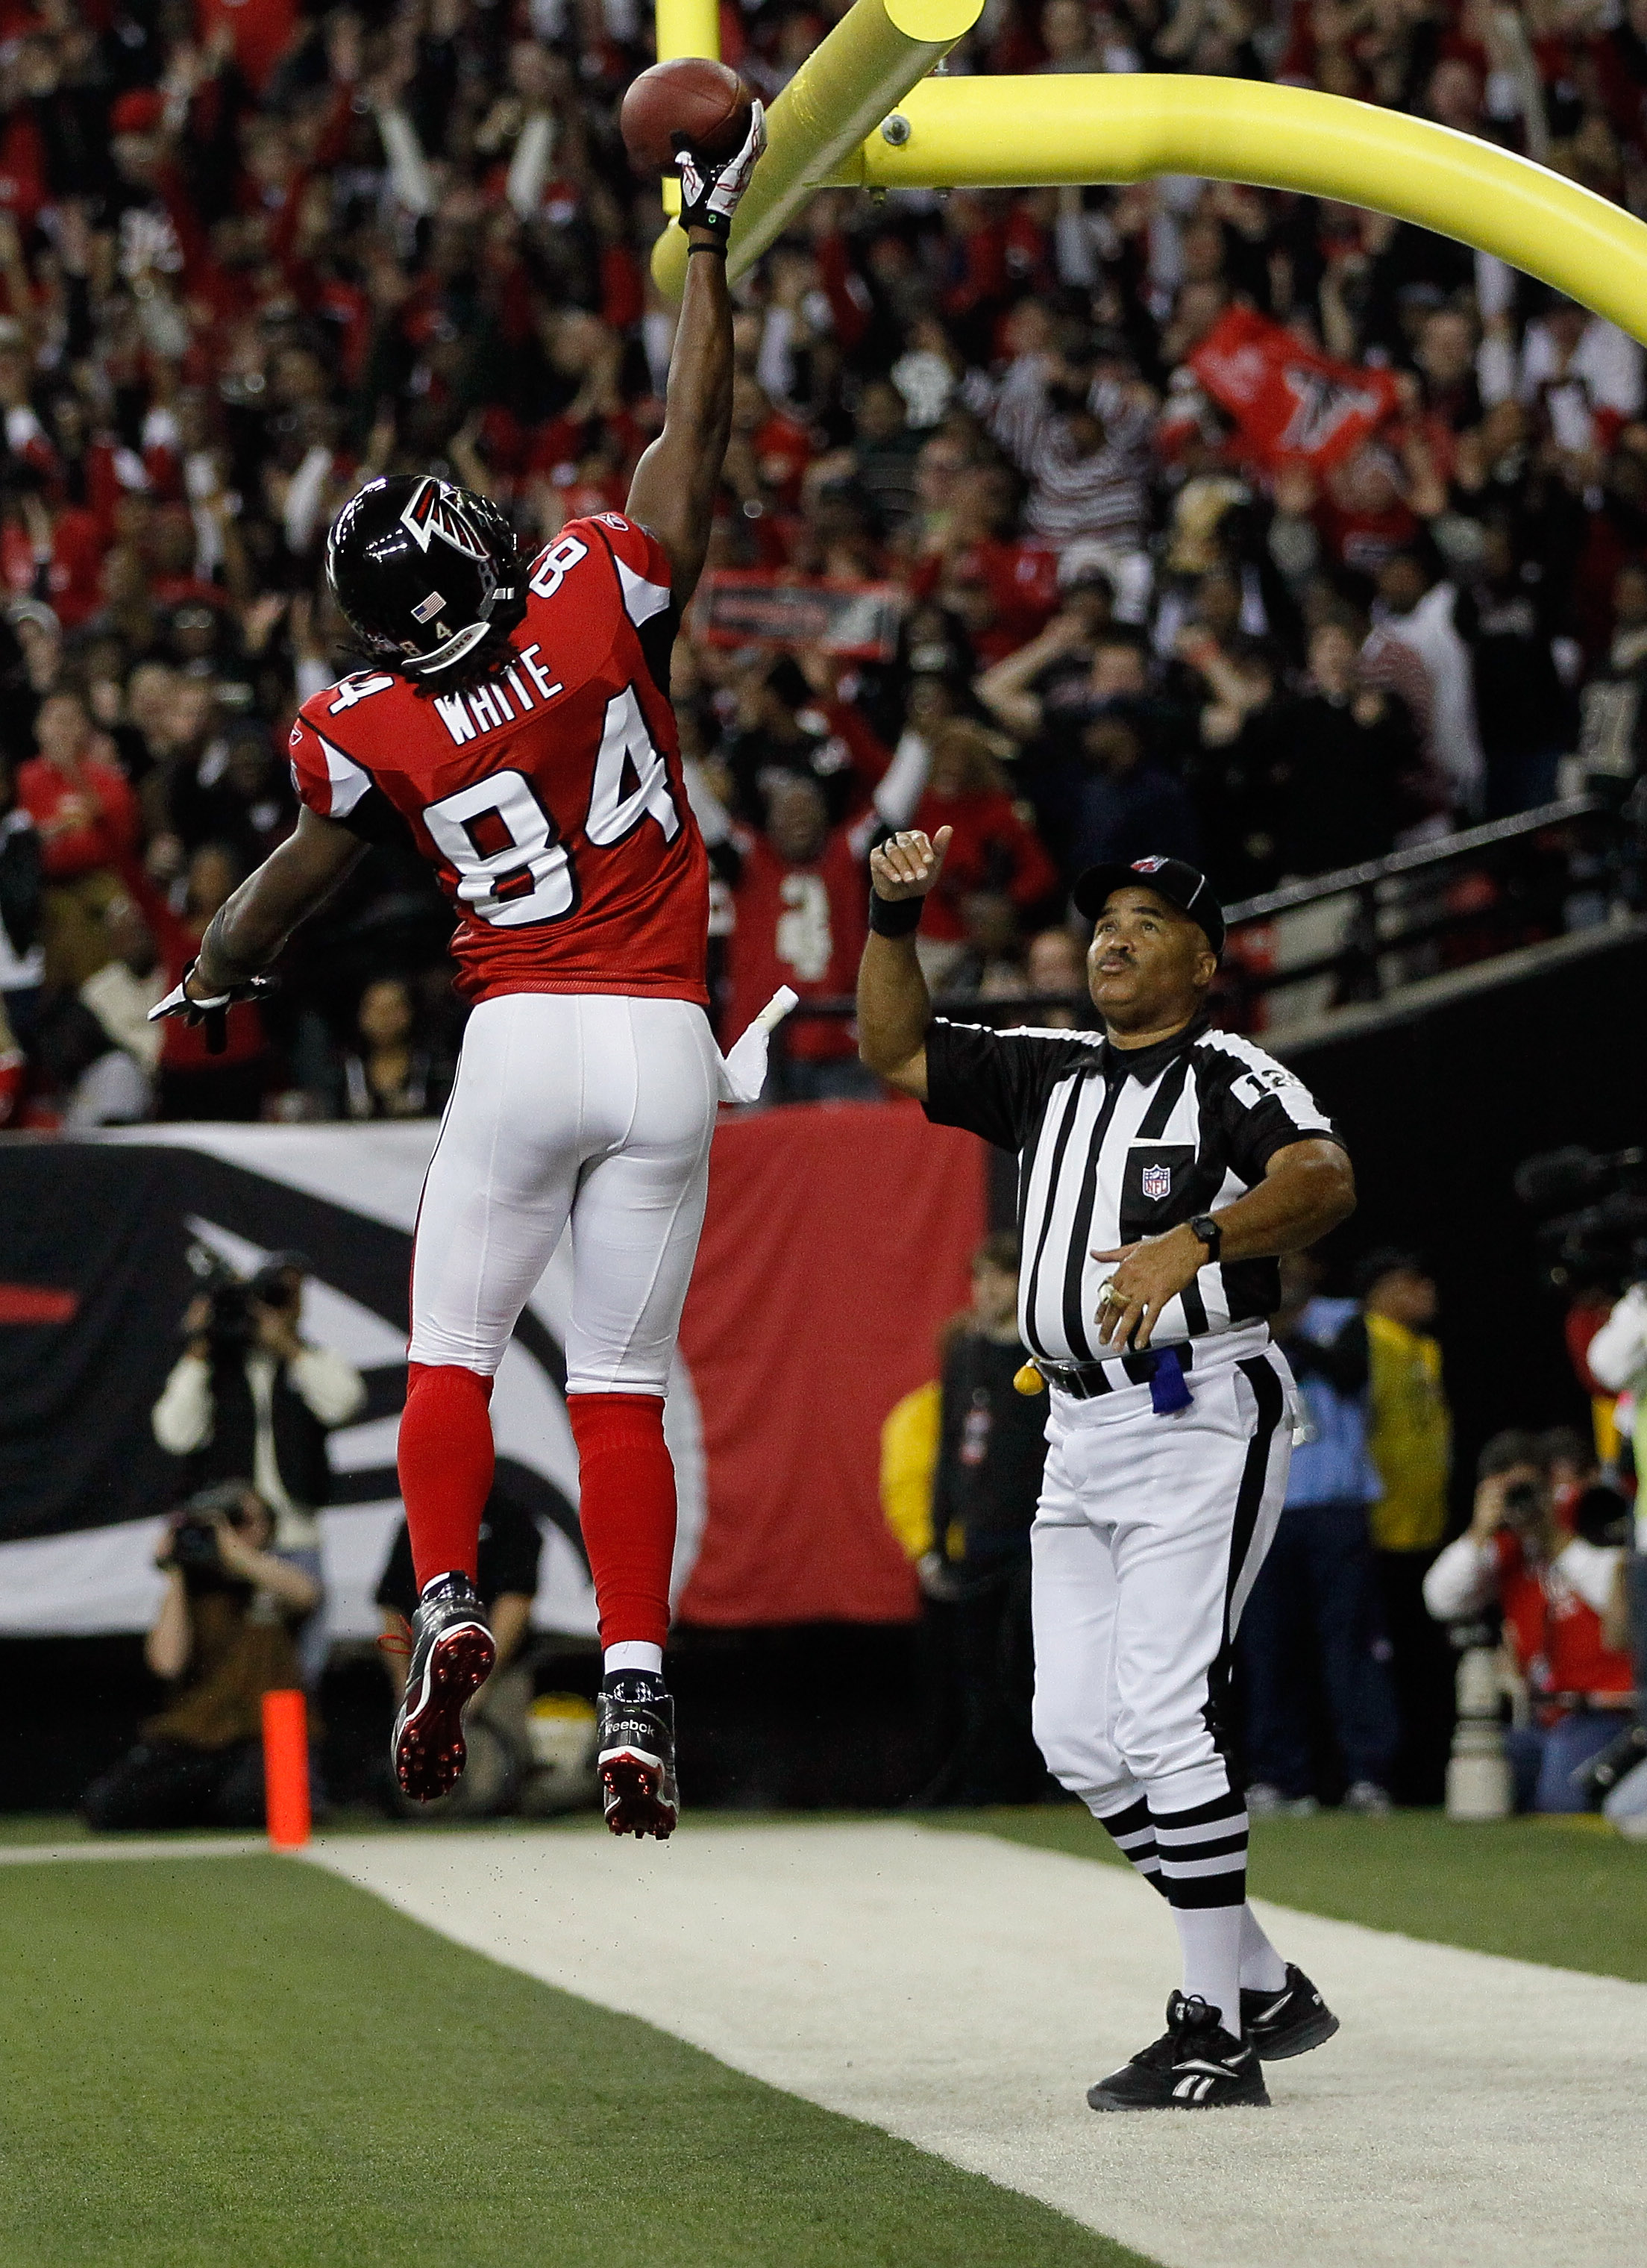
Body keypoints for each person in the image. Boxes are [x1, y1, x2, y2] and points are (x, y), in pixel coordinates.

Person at [148, 108, 768, 1839]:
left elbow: (282, 897)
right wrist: (707, 244)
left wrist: (207, 978)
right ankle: (634, 1676)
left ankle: (442, 1598)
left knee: (450, 1351)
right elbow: (691, 430)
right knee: (619, 1386)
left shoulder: (366, 720)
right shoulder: (587, 595)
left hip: (514, 1040)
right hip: (657, 1033)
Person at [858, 838, 1356, 2111]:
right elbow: (895, 1050)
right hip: (1075, 1429)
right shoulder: (1053, 1074)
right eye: (1102, 921)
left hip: (1198, 1415)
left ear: (1203, 961)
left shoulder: (1225, 1073)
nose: (1113, 938)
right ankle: (1260, 1981)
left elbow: (1322, 1179)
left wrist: (1196, 1239)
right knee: (1073, 1732)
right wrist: (891, 918)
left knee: (1157, 1715)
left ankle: (1213, 2028)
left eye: (1147, 921)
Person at [1239, 1255, 1399, 1816]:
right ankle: (1281, 1777)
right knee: (1267, 1646)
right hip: (1266, 1507)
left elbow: (1350, 1373)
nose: (1285, 1274)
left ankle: (1367, 1774)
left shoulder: (1345, 1319)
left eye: (1294, 1263)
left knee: (1350, 1645)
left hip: (1335, 1507)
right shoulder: (1237, 1328)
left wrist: (1286, 1336)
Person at [151, 1256, 365, 1658]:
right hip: (233, 1542)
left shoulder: (303, 1361)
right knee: (231, 1666)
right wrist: (199, 1348)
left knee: (299, 1671)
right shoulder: (214, 1367)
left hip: (295, 1539)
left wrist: (288, 1345)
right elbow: (175, 1434)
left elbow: (344, 1401)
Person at [81, 1482, 323, 1832]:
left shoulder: (276, 1579)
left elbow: (306, 1595)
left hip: (262, 1735)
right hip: (195, 1734)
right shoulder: (194, 1590)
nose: (238, 1530)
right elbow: (166, 1662)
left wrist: (235, 1552)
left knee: (250, 1804)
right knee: (109, 1805)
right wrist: (178, 1569)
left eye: (246, 1521)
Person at [1423, 1432, 1634, 1811]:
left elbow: (1625, 1602)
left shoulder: (1587, 1519)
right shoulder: (1505, 1547)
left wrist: (1555, 1539)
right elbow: (1441, 1599)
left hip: (1606, 1714)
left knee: (1560, 1800)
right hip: (1540, 1722)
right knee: (1480, 1798)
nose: (1523, 1502)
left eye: (1528, 1488)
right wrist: (1479, 1530)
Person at [923, 1232, 1050, 1804]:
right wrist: (936, 1535)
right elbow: (950, 1446)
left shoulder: (1047, 1356)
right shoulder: (964, 1353)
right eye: (980, 1278)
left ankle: (1043, 1780)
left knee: (1028, 1661)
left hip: (1037, 1533)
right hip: (980, 1533)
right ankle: (986, 1782)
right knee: (976, 1668)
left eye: (1000, 1277)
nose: (986, 1290)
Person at [1360, 1247, 1455, 1802]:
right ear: (1388, 1289)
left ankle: (1421, 1779)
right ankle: (1383, 1777)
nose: (1428, 1294)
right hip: (1380, 1527)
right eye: (1416, 1283)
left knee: (1422, 1662)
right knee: (1382, 1661)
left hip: (1423, 1527)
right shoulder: (1371, 1341)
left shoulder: (1422, 1347)